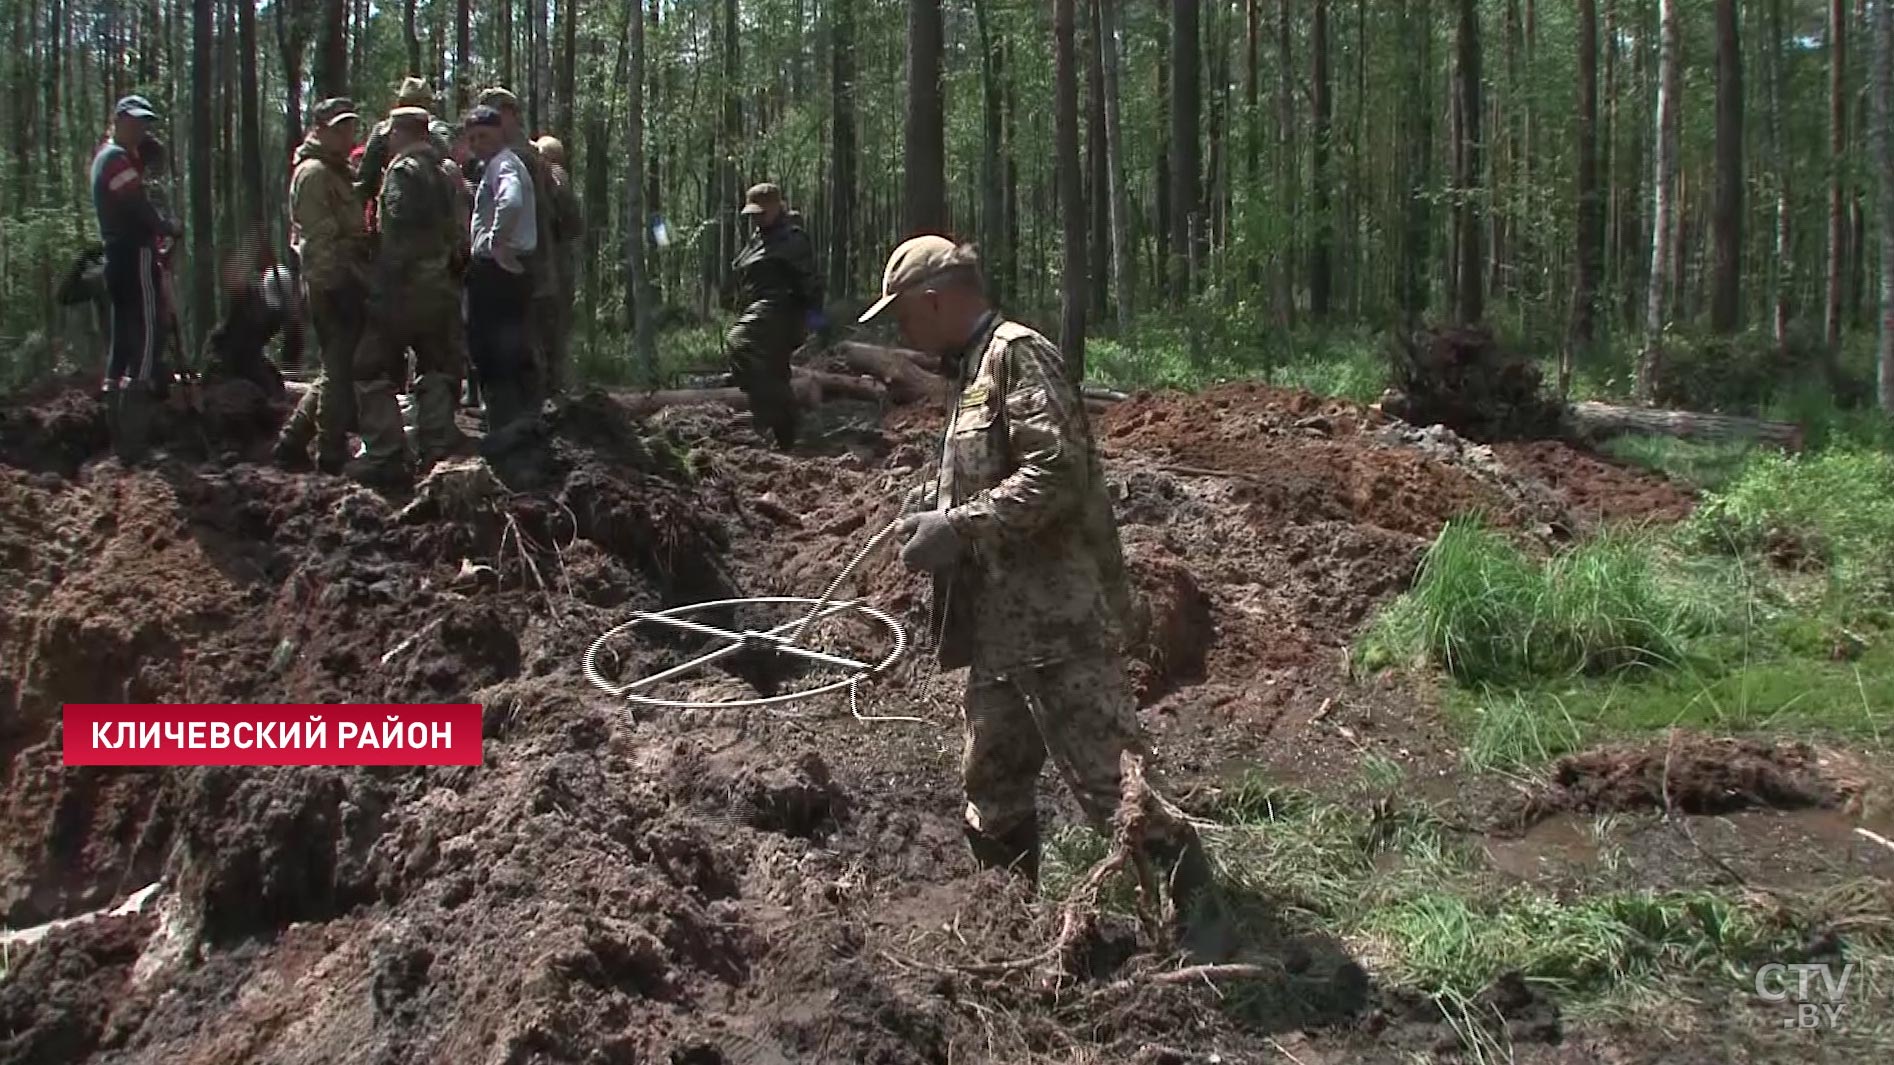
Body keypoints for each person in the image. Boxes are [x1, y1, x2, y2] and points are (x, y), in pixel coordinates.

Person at [861, 236, 1224, 953]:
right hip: (1000, 632)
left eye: (901, 315)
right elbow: (990, 468)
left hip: (1058, 626)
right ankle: (1006, 923)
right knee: (991, 782)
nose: (899, 333)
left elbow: (1056, 475)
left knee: (1109, 783)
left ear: (933, 301)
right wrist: (931, 504)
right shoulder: (972, 370)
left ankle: (1206, 926)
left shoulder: (1018, 355)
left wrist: (958, 527)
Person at [346, 105, 473, 488]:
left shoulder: (403, 172)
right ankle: (436, 444)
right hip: (441, 287)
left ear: (400, 133)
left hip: (405, 288)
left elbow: (399, 234)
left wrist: (381, 280)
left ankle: (385, 452)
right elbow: (459, 231)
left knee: (370, 365)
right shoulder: (445, 172)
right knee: (436, 364)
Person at [273, 98, 371, 473]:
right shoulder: (314, 173)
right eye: (339, 128)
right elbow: (317, 239)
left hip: (344, 277)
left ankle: (293, 440)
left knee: (337, 366)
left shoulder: (337, 172)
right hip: (331, 281)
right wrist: (335, 283)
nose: (347, 135)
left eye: (350, 127)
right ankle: (329, 451)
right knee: (337, 369)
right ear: (319, 129)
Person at [90, 95, 180, 462]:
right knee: (145, 337)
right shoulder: (116, 159)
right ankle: (134, 443)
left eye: (144, 124)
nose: (140, 129)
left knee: (124, 345)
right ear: (119, 120)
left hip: (117, 256)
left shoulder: (109, 158)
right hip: (133, 254)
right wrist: (167, 226)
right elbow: (137, 207)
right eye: (135, 122)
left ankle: (121, 436)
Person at [476, 88, 562, 396]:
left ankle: (529, 416)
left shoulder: (518, 159)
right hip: (524, 266)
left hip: (522, 265)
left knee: (524, 347)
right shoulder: (523, 158)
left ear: (510, 116)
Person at [464, 104, 540, 447]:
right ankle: (516, 423)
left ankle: (507, 430)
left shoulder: (504, 164)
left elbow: (510, 202)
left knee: (494, 351)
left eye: (485, 135)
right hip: (503, 269)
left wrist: (497, 243)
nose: (479, 143)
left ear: (500, 133)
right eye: (474, 137)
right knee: (504, 349)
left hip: (497, 272)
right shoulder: (496, 166)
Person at [726, 182, 822, 450]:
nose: (756, 219)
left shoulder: (792, 239)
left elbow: (811, 282)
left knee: (739, 343)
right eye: (753, 214)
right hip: (761, 309)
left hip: (782, 310)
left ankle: (777, 417)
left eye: (761, 213)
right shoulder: (759, 237)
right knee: (774, 372)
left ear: (777, 207)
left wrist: (816, 322)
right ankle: (787, 438)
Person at [355, 76, 456, 221]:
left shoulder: (436, 131)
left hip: (425, 209)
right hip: (399, 205)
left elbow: (365, 181)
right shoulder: (384, 132)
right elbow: (366, 179)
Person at [532, 135, 584, 394]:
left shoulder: (554, 178)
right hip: (558, 263)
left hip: (553, 263)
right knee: (556, 332)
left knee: (551, 332)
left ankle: (552, 390)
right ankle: (556, 387)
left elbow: (572, 224)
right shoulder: (557, 178)